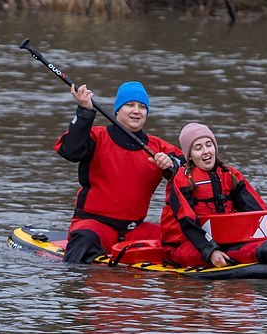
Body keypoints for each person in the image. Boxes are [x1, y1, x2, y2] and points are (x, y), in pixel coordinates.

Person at [160, 122, 267, 271]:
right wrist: (210, 250)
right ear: (189, 155)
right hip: (185, 244)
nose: (206, 151)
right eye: (198, 148)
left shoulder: (229, 174)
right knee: (234, 252)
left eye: (209, 145)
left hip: (225, 236)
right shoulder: (181, 181)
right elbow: (187, 221)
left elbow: (255, 208)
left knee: (256, 244)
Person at [55, 80, 183, 263]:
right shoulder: (96, 136)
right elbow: (70, 151)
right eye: (130, 105)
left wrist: (172, 164)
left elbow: (189, 167)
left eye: (142, 107)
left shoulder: (158, 148)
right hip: (94, 226)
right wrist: (85, 112)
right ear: (117, 111)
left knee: (179, 240)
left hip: (135, 230)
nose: (136, 111)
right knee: (85, 239)